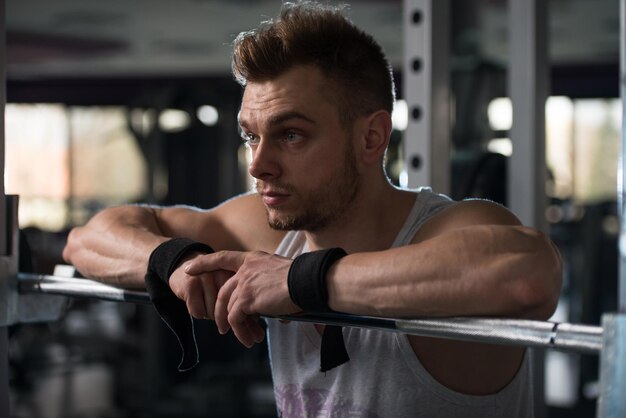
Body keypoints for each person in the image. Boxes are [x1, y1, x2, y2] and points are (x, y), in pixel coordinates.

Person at [62, 2, 563, 416]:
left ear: (371, 138)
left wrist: (302, 281)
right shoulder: (264, 230)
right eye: (250, 137)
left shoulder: (442, 231)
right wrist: (174, 262)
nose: (259, 165)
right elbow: (88, 239)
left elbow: (524, 275)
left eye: (292, 135)